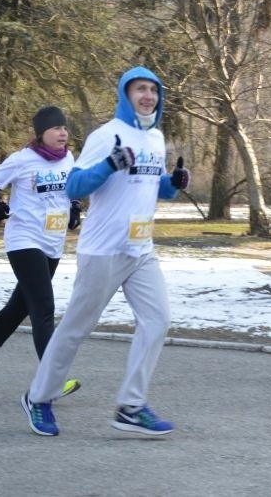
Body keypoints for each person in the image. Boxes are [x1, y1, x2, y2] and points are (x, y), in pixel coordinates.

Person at [21, 66, 190, 437]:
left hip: (141, 250)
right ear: (125, 95)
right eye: (140, 90)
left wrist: (173, 184)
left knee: (157, 321)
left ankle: (131, 406)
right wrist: (110, 163)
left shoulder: (157, 138)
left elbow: (152, 186)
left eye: (153, 90)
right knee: (76, 328)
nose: (148, 96)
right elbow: (74, 185)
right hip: (103, 250)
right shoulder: (107, 135)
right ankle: (40, 397)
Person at [0, 106, 81, 398]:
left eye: (65, 128)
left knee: (20, 306)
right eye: (56, 128)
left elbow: (71, 189)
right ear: (41, 133)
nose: (63, 133)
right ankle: (51, 379)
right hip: (23, 239)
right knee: (43, 307)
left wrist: (74, 208)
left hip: (53, 242)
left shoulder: (68, 158)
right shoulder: (22, 160)